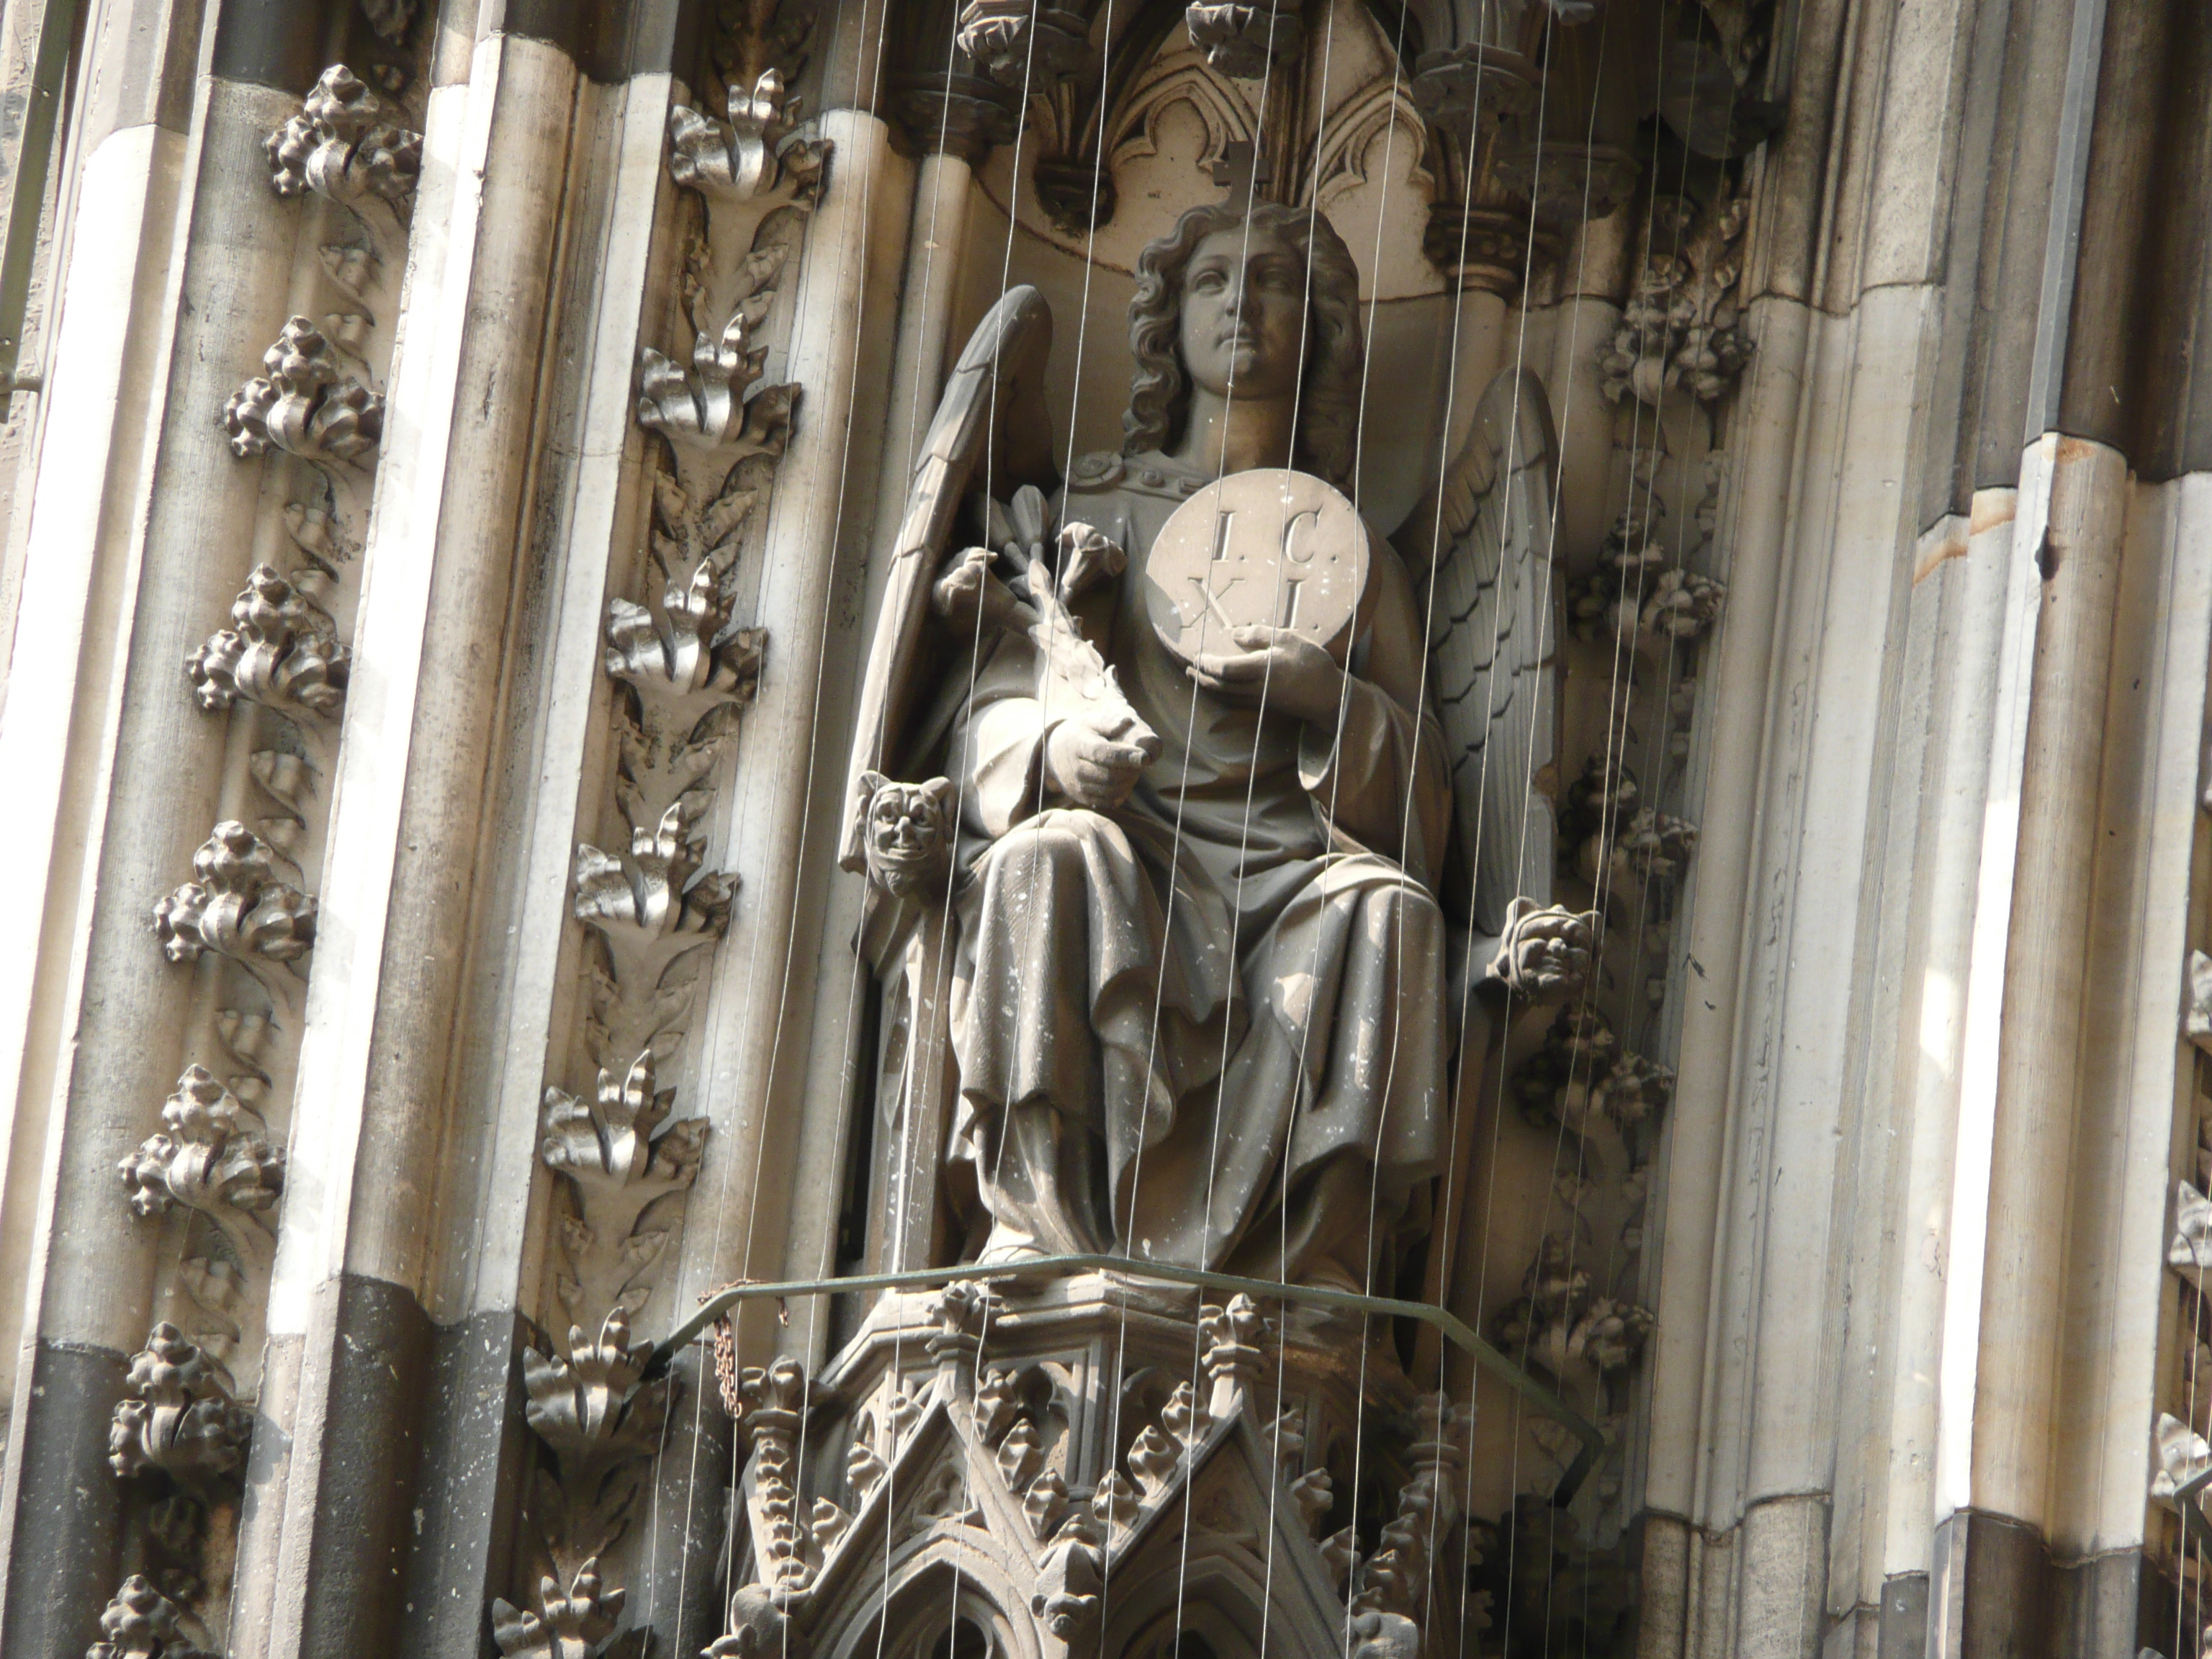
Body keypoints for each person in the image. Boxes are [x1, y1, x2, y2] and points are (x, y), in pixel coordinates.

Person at [943, 199, 1452, 1290]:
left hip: (1287, 868)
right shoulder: (1088, 506)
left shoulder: (1356, 553)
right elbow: (985, 702)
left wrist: (1333, 703)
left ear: (1316, 331)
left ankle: (1310, 1271)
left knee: (1391, 910)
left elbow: (1427, 790)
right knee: (1044, 859)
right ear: (1168, 324)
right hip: (1131, 848)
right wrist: (1051, 755)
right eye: (1216, 281)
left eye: (1274, 283)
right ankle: (1044, 1231)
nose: (1245, 305)